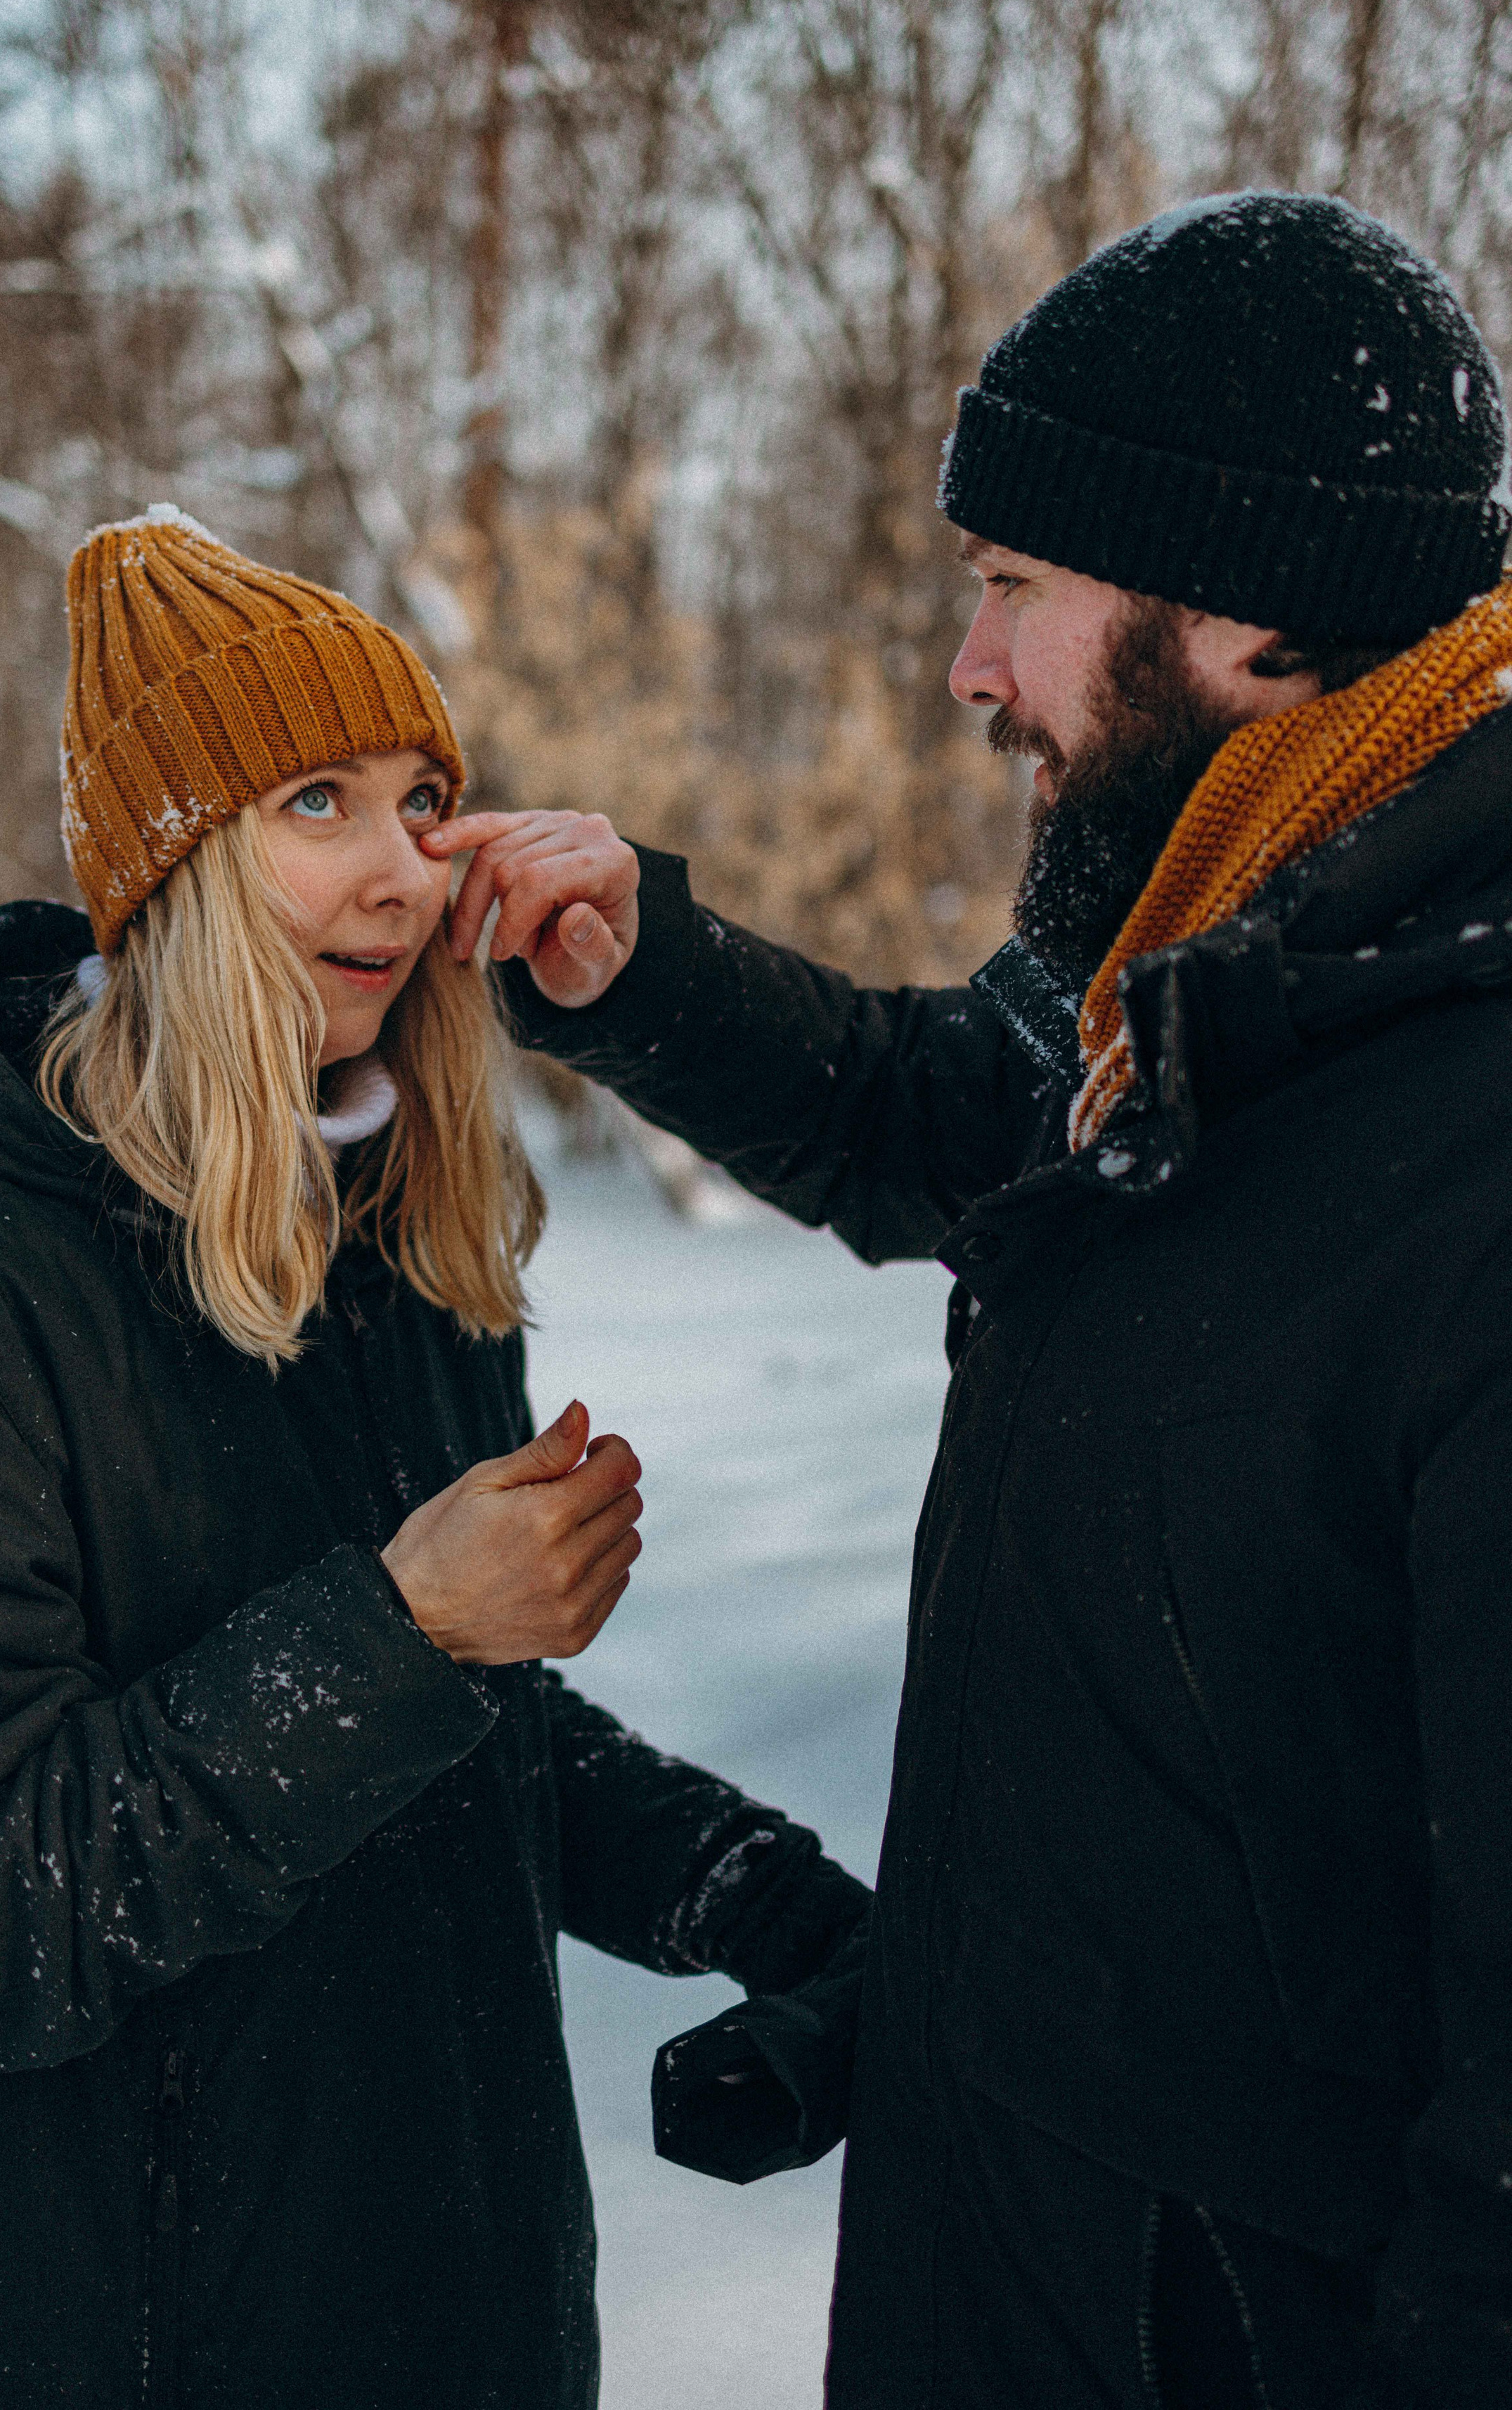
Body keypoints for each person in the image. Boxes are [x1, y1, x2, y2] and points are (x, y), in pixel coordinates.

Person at [429, 193, 1512, 2408]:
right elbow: (961, 1121)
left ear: (1256, 619)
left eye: (1016, 589)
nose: (971, 668)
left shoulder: (1458, 1121)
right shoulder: (1240, 967)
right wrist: (649, 975)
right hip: (1019, 2267)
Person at [0, 505, 870, 2410]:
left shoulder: (396, 1264)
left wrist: (765, 1899)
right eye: (314, 800)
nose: (403, 869)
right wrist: (410, 1629)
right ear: (165, 872)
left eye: (426, 798)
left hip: (428, 2319)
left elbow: (437, 1751)